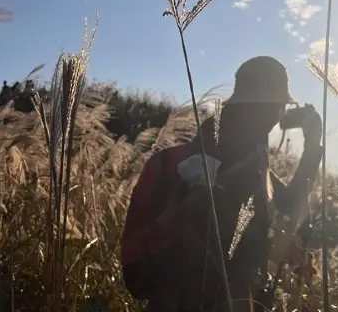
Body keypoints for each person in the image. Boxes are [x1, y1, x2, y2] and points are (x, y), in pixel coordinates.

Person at [121, 56, 323, 312]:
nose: (275, 121)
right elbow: (135, 272)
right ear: (249, 112)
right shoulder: (173, 167)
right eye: (273, 110)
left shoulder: (257, 174)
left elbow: (291, 204)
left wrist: (312, 148)